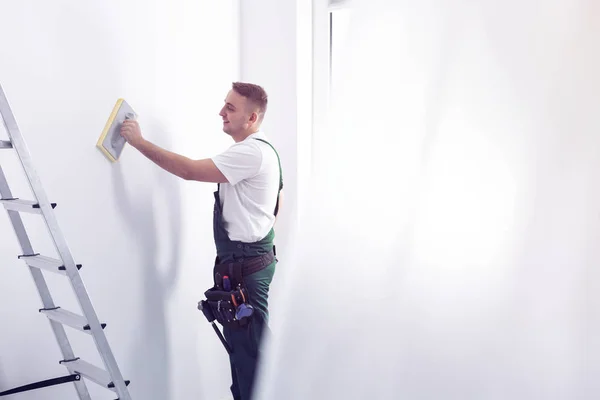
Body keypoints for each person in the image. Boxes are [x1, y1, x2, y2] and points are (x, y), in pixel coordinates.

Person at [120, 82, 283, 400]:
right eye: (225, 104)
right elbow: (278, 201)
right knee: (246, 357)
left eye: (231, 108)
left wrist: (138, 141)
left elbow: (189, 171)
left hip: (246, 268)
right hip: (248, 263)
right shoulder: (266, 151)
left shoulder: (252, 152)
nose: (221, 112)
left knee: (252, 365)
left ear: (251, 119)